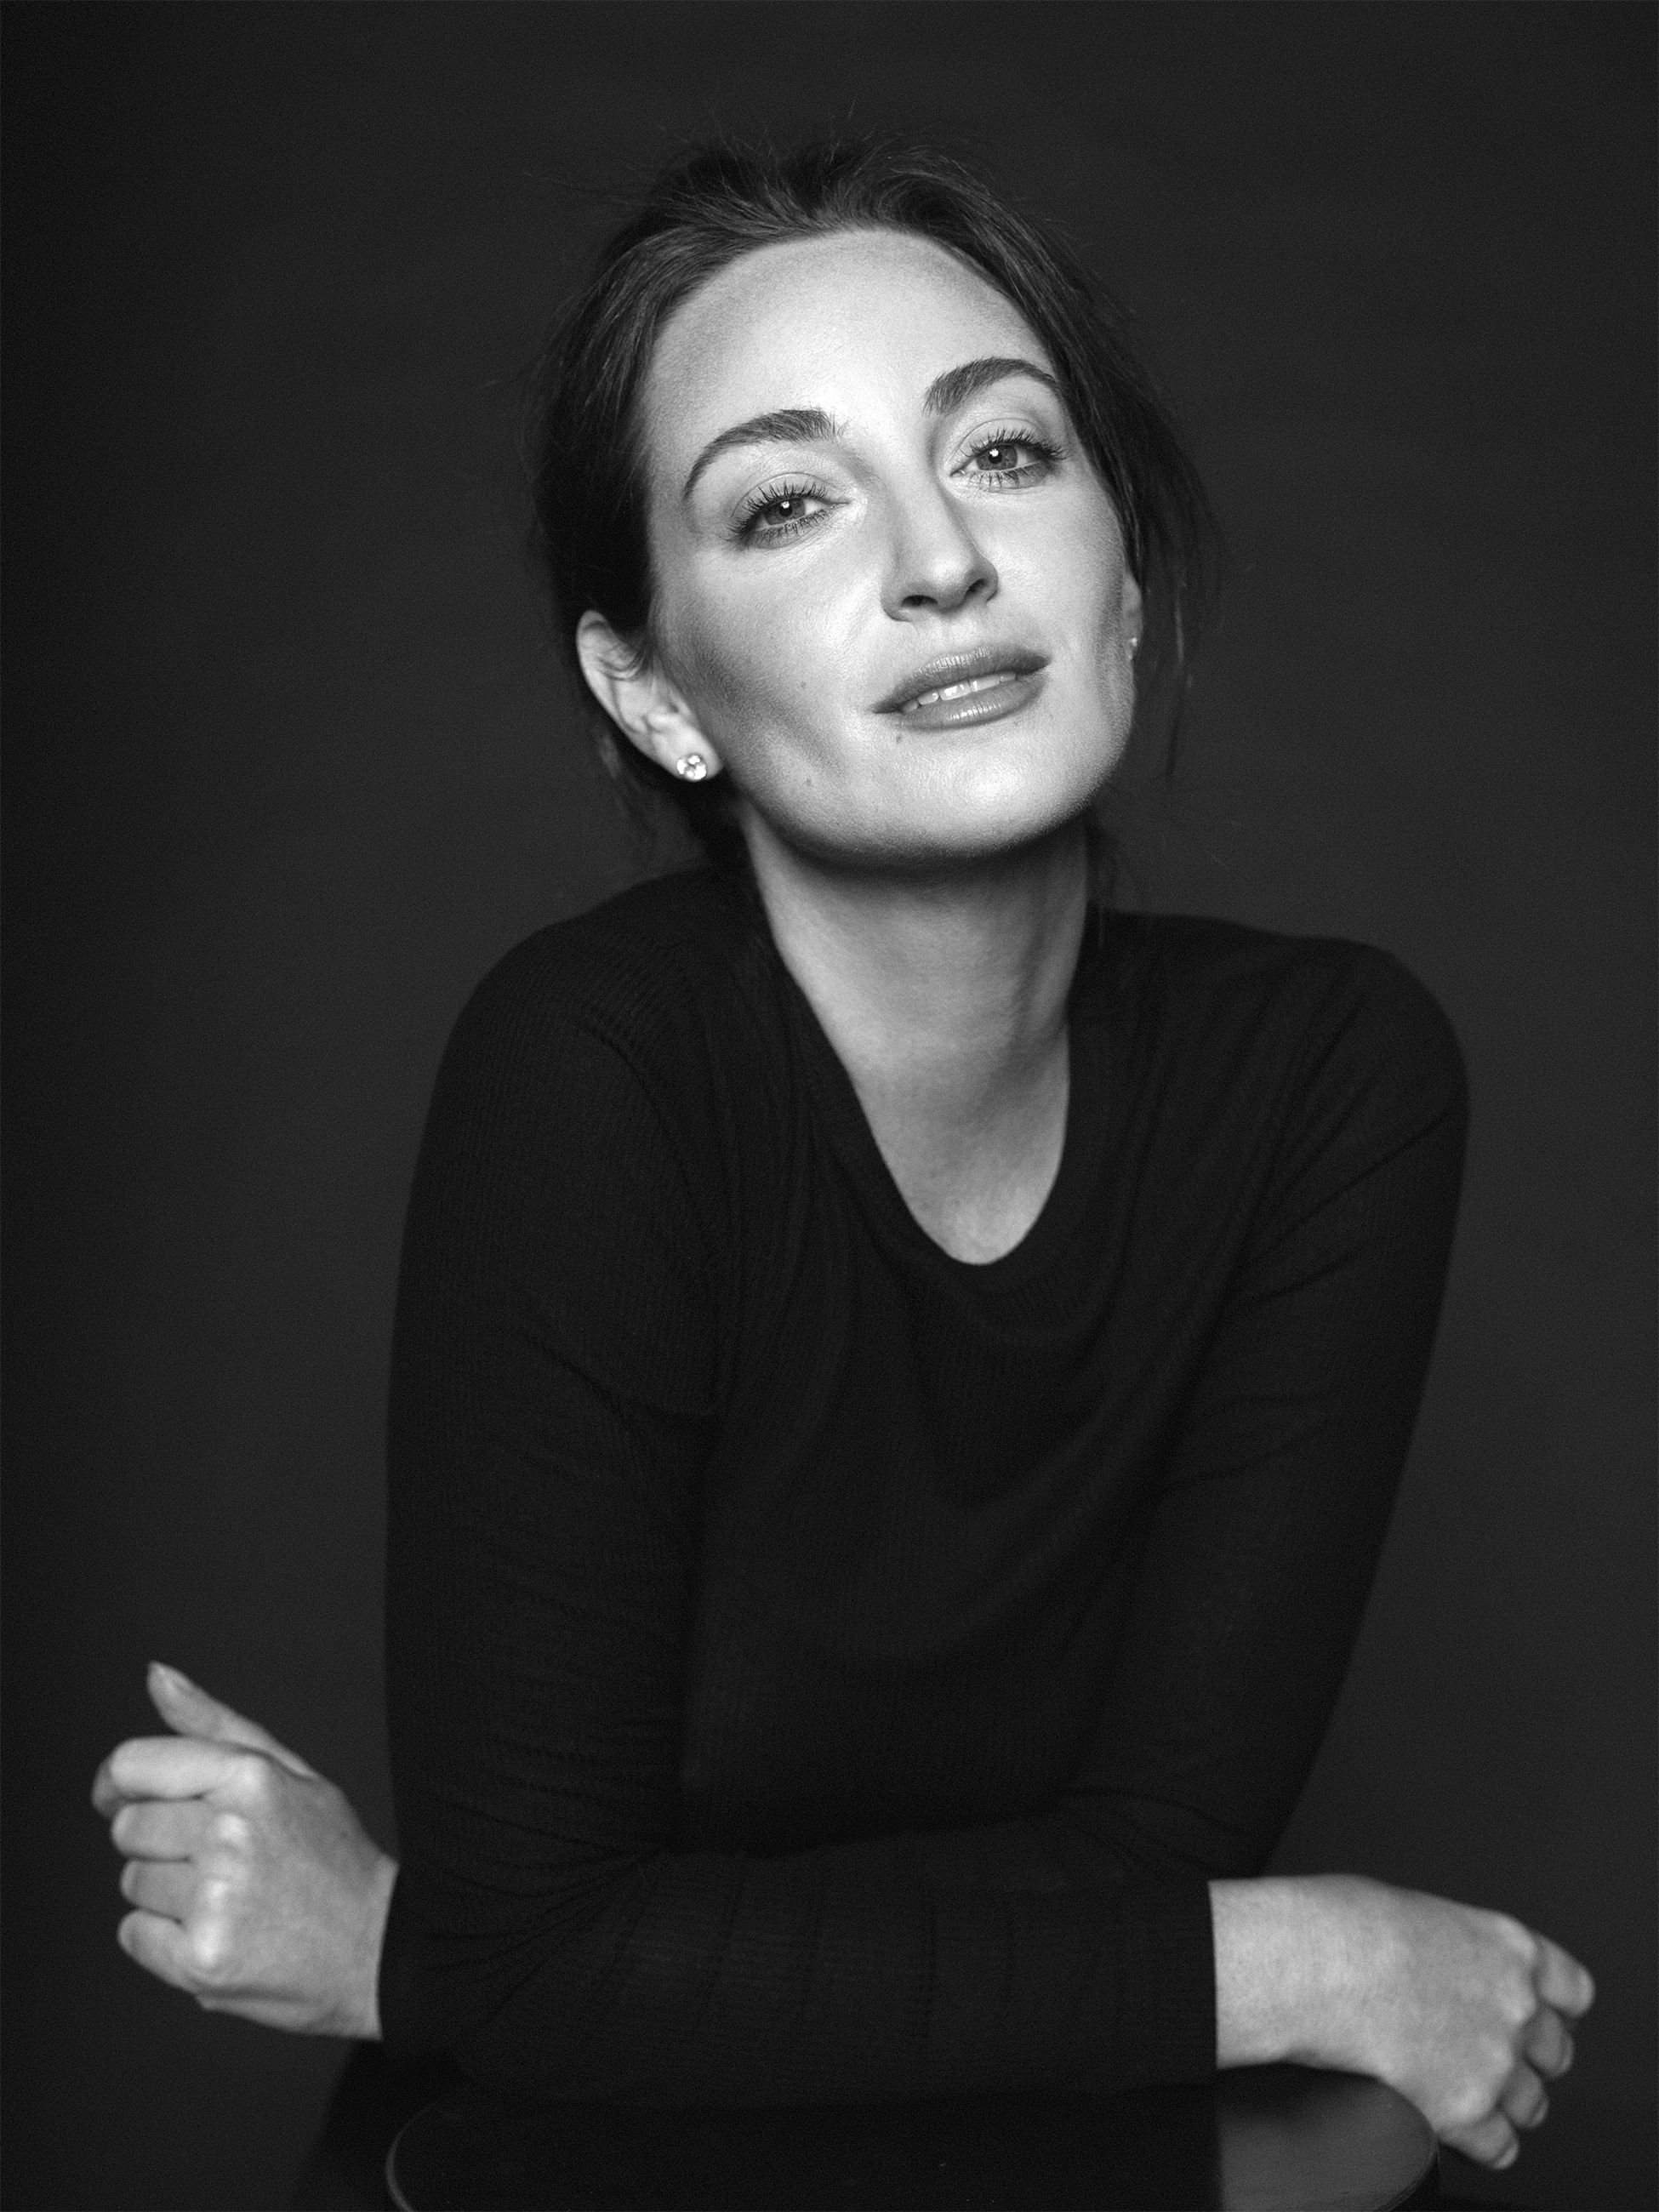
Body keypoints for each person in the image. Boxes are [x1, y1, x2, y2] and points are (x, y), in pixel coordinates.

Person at [92, 137, 1593, 2196]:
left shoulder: (1333, 1077)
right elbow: (570, 1966)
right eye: (788, 503)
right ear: (654, 695)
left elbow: (1151, 1860)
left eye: (1006, 454)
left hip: (1066, 2155)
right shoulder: (597, 1074)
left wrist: (432, 1953)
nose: (941, 559)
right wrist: (1309, 1958)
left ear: (1127, 577)